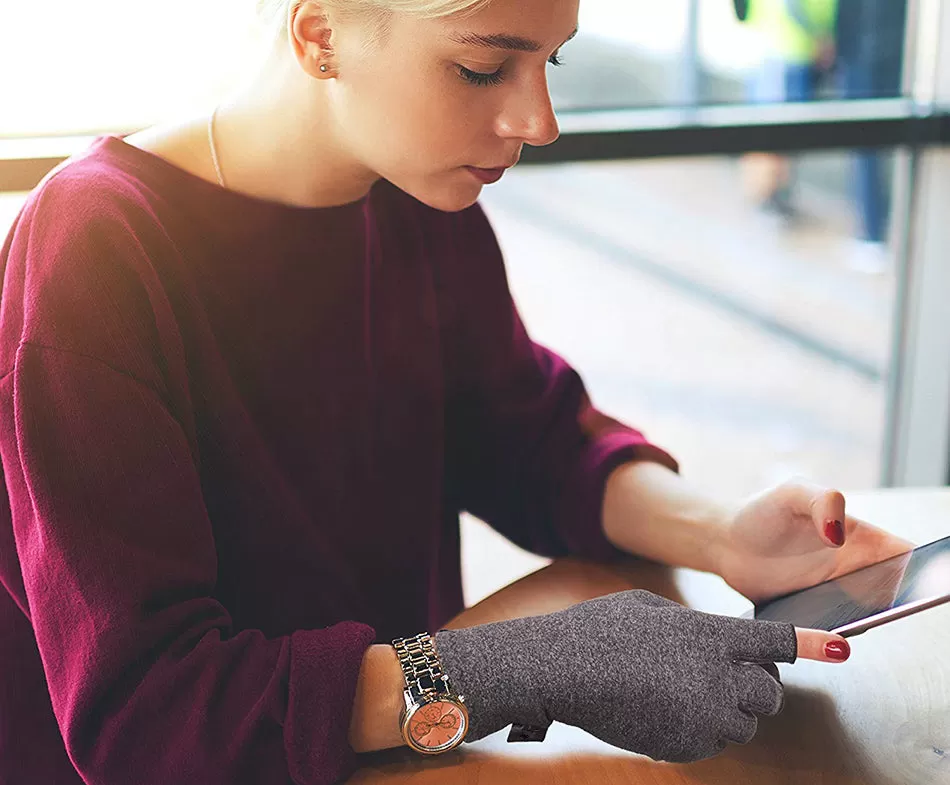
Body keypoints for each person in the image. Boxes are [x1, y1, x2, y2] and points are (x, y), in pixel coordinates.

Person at [0, 1, 914, 783]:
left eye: (550, 59)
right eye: (484, 67)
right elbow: (149, 715)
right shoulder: (97, 253)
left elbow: (529, 437)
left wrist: (720, 533)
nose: (541, 119)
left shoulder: (412, 197)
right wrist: (517, 668)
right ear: (321, 36)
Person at [736, 0, 838, 219]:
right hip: (787, 48)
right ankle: (767, 195)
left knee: (781, 129)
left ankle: (773, 194)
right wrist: (819, 37)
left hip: (786, 48)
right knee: (777, 130)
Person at [834, 0, 909, 273]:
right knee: (878, 152)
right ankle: (877, 231)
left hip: (864, 63)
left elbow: (848, 16)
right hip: (888, 63)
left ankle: (871, 235)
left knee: (866, 151)